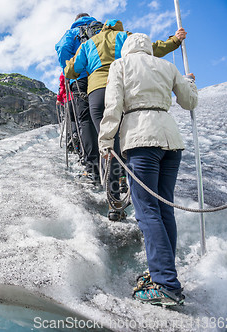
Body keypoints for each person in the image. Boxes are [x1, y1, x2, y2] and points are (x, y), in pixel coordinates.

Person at [98, 33, 198, 306]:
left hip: (141, 139)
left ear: (127, 49)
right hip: (171, 141)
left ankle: (164, 282)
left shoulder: (121, 65)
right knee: (165, 208)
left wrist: (106, 141)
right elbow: (189, 102)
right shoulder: (167, 66)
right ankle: (164, 274)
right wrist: (191, 84)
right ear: (149, 48)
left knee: (146, 210)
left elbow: (114, 104)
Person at [64, 19, 187, 220]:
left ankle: (114, 203)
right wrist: (175, 40)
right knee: (127, 144)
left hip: (96, 94)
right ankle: (130, 187)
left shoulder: (89, 43)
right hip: (122, 90)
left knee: (110, 145)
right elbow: (153, 48)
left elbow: (71, 70)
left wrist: (72, 64)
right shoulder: (125, 37)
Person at [55, 13, 101, 183]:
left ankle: (92, 169)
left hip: (80, 79)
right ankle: (116, 170)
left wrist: (70, 70)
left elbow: (62, 51)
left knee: (85, 120)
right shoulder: (100, 29)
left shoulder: (72, 32)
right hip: (101, 76)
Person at [56, 72, 81, 156]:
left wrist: (59, 99)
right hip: (79, 98)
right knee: (80, 119)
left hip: (68, 99)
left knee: (71, 120)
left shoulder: (64, 72)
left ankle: (73, 136)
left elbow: (62, 87)